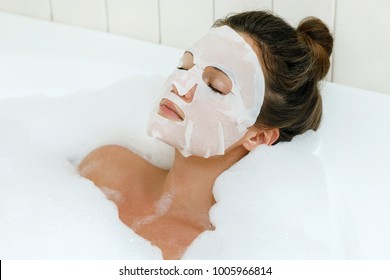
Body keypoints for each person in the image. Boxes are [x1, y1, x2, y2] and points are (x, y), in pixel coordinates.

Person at [78, 11, 333, 259]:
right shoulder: (104, 168)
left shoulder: (210, 256)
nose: (180, 85)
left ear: (257, 137)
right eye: (184, 66)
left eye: (215, 86)